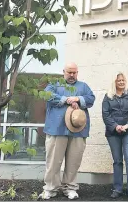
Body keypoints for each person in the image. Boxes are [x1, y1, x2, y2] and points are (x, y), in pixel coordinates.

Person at [39, 63, 95, 200]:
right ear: (63, 72)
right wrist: (65, 100)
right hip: (56, 129)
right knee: (53, 162)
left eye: (74, 72)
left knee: (73, 162)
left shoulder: (83, 86)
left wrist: (78, 99)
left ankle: (70, 188)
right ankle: (50, 189)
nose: (71, 75)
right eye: (69, 72)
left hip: (78, 131)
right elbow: (47, 95)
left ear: (77, 72)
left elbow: (91, 98)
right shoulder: (54, 84)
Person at [102, 72, 128, 201]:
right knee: (117, 161)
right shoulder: (108, 97)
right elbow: (105, 114)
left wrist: (127, 126)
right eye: (119, 80)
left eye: (123, 80)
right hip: (113, 133)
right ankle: (117, 189)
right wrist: (116, 126)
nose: (121, 82)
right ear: (115, 82)